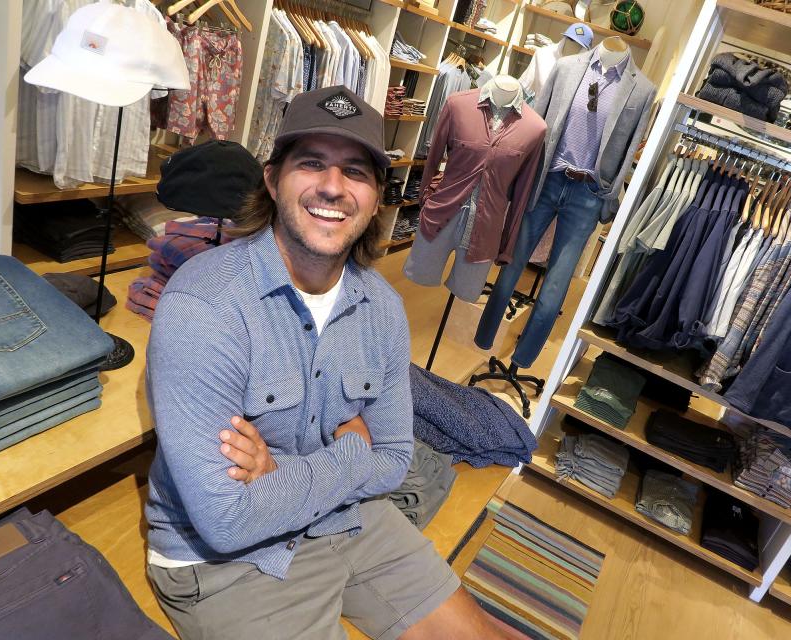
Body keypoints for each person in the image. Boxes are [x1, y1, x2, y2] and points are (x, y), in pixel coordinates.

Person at [143, 86, 521, 640]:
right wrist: (350, 451)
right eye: (311, 164)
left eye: (355, 171)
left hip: (346, 517)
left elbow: (393, 460)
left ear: (376, 199)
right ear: (273, 181)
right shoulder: (205, 306)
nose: (333, 187)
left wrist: (280, 473)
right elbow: (225, 518)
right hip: (225, 565)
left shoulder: (382, 308)